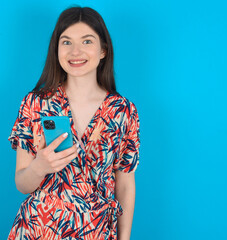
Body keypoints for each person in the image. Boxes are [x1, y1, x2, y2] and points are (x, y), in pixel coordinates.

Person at [7, 6, 140, 240]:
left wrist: (124, 237)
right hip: (39, 229)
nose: (75, 51)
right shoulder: (35, 104)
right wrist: (40, 166)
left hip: (96, 231)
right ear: (56, 49)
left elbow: (125, 184)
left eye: (87, 41)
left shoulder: (123, 111)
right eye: (66, 42)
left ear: (103, 51)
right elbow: (21, 183)